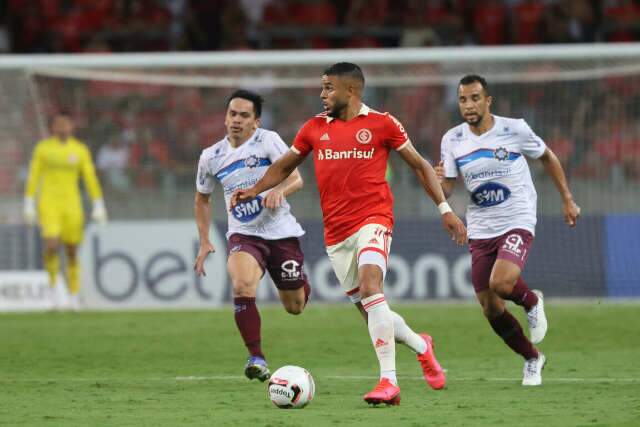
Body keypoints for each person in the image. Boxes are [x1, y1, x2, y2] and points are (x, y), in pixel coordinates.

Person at [231, 63, 467, 405]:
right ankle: (421, 344)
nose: (322, 94)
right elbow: (285, 165)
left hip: (375, 219)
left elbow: (418, 164)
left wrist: (445, 209)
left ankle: (389, 383)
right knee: (373, 312)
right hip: (336, 233)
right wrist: (254, 189)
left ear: (351, 91)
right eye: (322, 88)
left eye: (328, 88)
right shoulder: (314, 127)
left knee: (373, 288)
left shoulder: (383, 123)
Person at [436, 75, 581, 386]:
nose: (469, 105)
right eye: (463, 100)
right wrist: (437, 183)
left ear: (488, 101)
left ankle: (531, 301)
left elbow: (547, 156)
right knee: (490, 307)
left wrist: (567, 199)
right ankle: (532, 358)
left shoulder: (514, 129)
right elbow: (447, 187)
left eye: (475, 98)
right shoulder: (453, 139)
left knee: (502, 283)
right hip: (480, 227)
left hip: (517, 217)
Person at [193, 89, 311, 382]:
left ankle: (300, 282)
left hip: (281, 232)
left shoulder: (268, 141)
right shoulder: (211, 157)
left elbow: (296, 178)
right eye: (232, 114)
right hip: (244, 235)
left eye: (244, 115)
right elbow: (202, 199)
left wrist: (278, 191)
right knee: (243, 285)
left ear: (255, 122)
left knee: (294, 306)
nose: (236, 120)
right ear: (225, 117)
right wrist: (205, 240)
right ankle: (256, 357)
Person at [24, 112, 108, 310]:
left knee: (71, 251)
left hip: (72, 204)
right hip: (49, 202)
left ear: (72, 126)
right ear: (52, 127)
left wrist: (98, 203)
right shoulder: (43, 149)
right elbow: (34, 175)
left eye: (66, 123)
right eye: (58, 124)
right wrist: (28, 201)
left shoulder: (79, 150)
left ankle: (73, 295)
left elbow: (89, 177)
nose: (62, 127)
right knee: (51, 245)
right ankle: (54, 292)